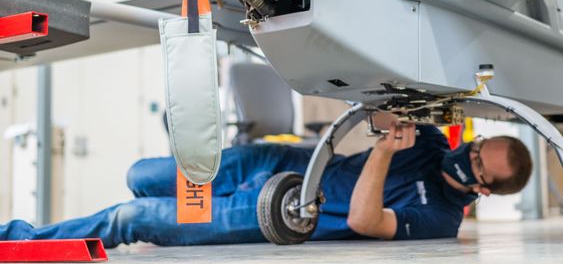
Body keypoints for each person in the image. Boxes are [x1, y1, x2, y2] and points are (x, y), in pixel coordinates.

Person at [0, 117, 533, 247]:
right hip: (267, 165)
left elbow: (364, 221)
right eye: (477, 146)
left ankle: (17, 241)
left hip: (274, 211)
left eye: (480, 166)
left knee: (129, 218)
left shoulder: (440, 219)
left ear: (483, 190)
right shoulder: (437, 141)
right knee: (140, 176)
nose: (468, 156)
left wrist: (382, 151)